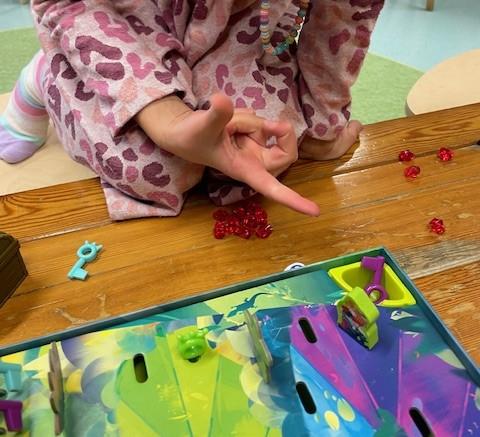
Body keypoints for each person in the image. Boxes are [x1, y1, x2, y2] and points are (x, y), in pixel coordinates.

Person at [0, 0, 383, 220]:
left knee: (260, 150)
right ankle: (49, 75)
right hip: (120, 27)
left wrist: (321, 124)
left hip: (245, 30)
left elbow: (343, 19)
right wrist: (168, 118)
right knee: (154, 171)